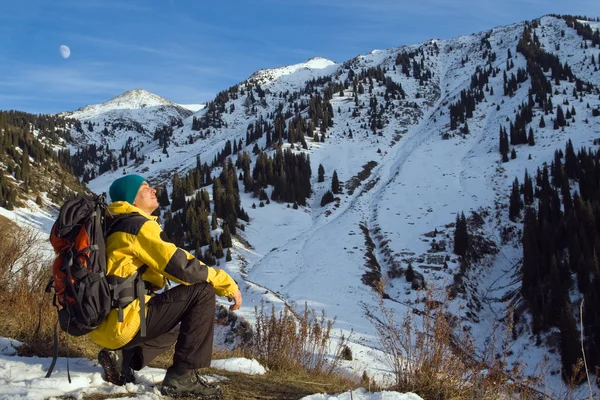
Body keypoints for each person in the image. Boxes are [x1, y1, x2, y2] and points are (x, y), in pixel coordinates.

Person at [91, 174, 242, 399]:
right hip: (124, 323)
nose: (153, 190)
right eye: (144, 188)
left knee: (182, 319)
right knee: (202, 292)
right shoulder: (137, 226)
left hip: (107, 325)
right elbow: (182, 267)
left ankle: (122, 358)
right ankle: (182, 377)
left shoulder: (114, 226)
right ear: (131, 199)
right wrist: (226, 283)